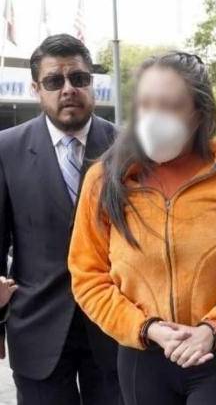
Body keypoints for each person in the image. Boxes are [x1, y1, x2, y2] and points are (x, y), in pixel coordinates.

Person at [68, 51, 216, 405]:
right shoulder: (104, 179)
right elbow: (88, 276)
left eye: (170, 106)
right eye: (145, 105)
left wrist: (213, 329)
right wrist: (148, 328)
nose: (154, 118)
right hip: (142, 356)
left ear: (199, 113)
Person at [0, 34, 120, 405]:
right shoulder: (6, 148)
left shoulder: (127, 149)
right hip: (37, 327)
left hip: (114, 327)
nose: (68, 89)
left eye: (79, 78)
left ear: (92, 83)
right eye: (54, 81)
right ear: (36, 89)